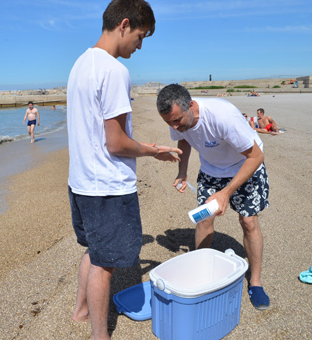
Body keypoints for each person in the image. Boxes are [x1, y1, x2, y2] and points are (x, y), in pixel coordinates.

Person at [66, 1, 181, 338]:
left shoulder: (79, 64)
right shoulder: (114, 70)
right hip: (108, 187)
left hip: (81, 182)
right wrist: (154, 150)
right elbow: (116, 143)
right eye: (141, 36)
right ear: (125, 25)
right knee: (105, 264)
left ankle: (81, 310)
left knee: (95, 251)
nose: (140, 45)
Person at [156, 84, 271, 310]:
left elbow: (256, 156)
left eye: (177, 120)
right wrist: (182, 171)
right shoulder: (176, 118)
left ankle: (256, 283)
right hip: (211, 171)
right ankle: (199, 269)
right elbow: (184, 140)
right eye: (169, 123)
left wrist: (226, 193)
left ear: (190, 105)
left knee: (248, 222)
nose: (174, 126)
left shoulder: (222, 116)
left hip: (245, 166)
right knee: (204, 219)